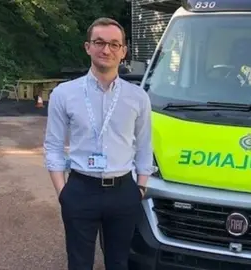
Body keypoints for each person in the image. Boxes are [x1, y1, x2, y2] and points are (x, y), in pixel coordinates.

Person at [43, 17, 155, 270]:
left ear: (123, 51)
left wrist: (140, 188)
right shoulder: (64, 93)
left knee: (119, 262)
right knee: (79, 263)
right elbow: (53, 145)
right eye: (100, 42)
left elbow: (145, 145)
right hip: (81, 189)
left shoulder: (138, 97)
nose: (107, 50)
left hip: (124, 190)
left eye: (114, 44)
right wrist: (63, 193)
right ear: (87, 47)